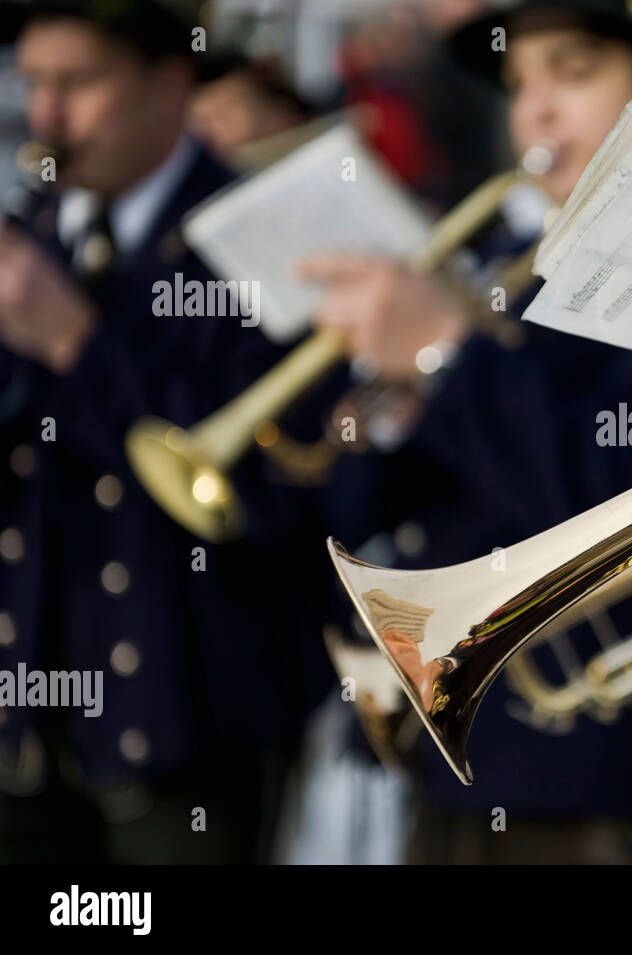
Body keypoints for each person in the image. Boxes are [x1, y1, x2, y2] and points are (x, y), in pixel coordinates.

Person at [303, 0, 632, 864]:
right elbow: (357, 504)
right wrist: (389, 401)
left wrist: (448, 354)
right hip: (464, 763)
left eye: (572, 72)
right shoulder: (496, 253)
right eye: (519, 81)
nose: (534, 109)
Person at [0, 0, 333, 863]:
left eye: (78, 82)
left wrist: (75, 342)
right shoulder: (36, 230)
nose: (46, 116)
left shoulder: (259, 233)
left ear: (172, 82)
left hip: (192, 727)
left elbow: (274, 490)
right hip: (30, 733)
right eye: (35, 82)